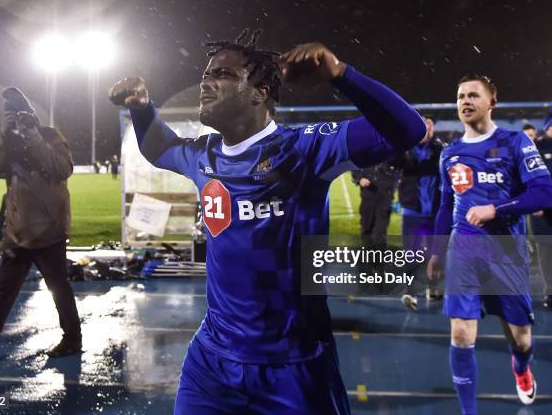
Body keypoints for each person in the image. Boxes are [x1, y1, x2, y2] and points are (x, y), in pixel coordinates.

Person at [109, 29, 426, 414]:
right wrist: (142, 109)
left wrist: (340, 74)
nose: (206, 83)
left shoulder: (306, 148)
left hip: (293, 366)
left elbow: (407, 128)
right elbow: (160, 147)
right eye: (207, 74)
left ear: (259, 93)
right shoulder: (202, 156)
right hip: (212, 362)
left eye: (223, 75)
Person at [427, 75, 552, 413]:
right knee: (462, 335)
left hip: (507, 254)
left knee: (521, 338)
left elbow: (544, 191)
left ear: (491, 102)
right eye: (460, 96)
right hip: (464, 250)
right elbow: (444, 206)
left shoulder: (515, 143)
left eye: (472, 95)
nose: (464, 101)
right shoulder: (450, 154)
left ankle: (522, 368)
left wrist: (496, 209)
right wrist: (437, 253)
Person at [0, 87, 81, 359]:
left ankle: (72, 339)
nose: (17, 120)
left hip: (48, 230)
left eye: (20, 114)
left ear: (32, 115)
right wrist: (1, 134)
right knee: (4, 290)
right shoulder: (7, 143)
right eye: (11, 115)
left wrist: (34, 137)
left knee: (58, 287)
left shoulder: (50, 135)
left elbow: (62, 169)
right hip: (18, 231)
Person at [393, 117, 445, 310]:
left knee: (436, 254)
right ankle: (410, 291)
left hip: (435, 212)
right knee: (411, 253)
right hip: (412, 211)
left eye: (430, 129)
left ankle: (433, 287)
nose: (428, 132)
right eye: (425, 128)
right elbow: (393, 161)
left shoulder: (439, 149)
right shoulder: (404, 149)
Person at [351, 160, 400, 249]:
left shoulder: (394, 154)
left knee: (380, 233)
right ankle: (367, 256)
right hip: (368, 197)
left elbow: (401, 171)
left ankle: (379, 260)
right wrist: (360, 179)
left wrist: (392, 189)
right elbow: (355, 167)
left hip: (385, 199)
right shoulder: (367, 152)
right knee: (366, 229)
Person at [531, 116, 552, 307]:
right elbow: (528, 178)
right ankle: (550, 293)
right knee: (546, 253)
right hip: (543, 210)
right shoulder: (535, 148)